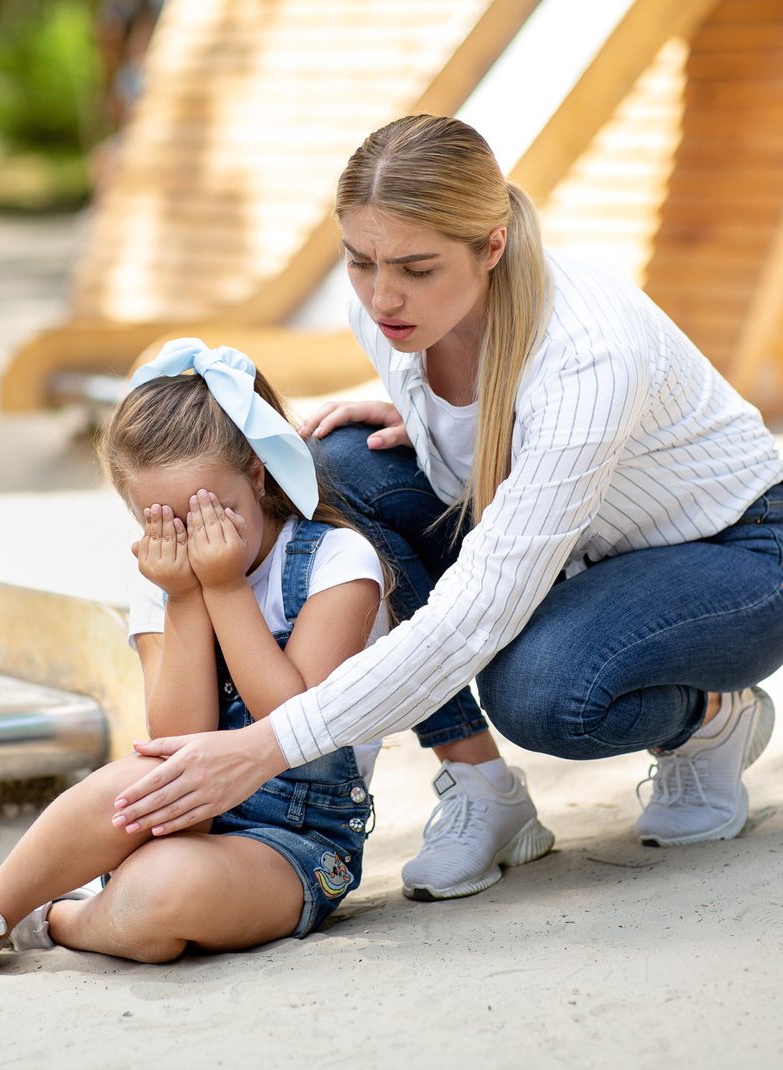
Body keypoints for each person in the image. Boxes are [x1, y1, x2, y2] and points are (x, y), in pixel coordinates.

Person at [101, 115, 783, 902]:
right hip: (579, 550)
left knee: (545, 689)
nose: (383, 295)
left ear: (490, 247)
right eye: (360, 261)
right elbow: (485, 430)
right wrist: (434, 431)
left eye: (417, 269)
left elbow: (472, 619)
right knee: (334, 467)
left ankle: (707, 716)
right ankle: (483, 791)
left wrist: (263, 748)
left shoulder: (591, 356)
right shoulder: (389, 312)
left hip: (739, 550)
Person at [0, 339, 387, 994]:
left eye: (210, 511)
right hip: (182, 809)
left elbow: (293, 727)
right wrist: (188, 596)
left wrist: (221, 589)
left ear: (256, 473)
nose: (193, 540)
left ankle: (57, 918)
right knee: (130, 781)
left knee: (154, 901)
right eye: (163, 520)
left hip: (294, 840)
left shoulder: (338, 564)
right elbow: (170, 736)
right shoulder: (166, 581)